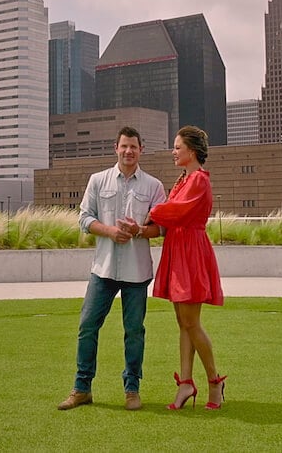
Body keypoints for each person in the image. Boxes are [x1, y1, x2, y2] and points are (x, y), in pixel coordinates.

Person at [58, 126, 167, 412]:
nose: (128, 151)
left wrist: (139, 231)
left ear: (141, 150)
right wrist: (109, 231)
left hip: (137, 272)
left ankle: (132, 389)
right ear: (115, 148)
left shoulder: (154, 186)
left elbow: (162, 228)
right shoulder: (97, 180)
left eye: (134, 146)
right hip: (102, 270)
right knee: (87, 326)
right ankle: (82, 389)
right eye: (124, 146)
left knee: (134, 331)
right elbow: (84, 218)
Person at [140, 125, 227, 410]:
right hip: (179, 248)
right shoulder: (183, 179)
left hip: (190, 251)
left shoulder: (199, 180)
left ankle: (215, 382)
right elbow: (171, 212)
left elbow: (175, 212)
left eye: (178, 147)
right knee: (184, 323)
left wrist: (149, 211)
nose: (173, 152)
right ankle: (186, 383)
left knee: (191, 322)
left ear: (191, 150)